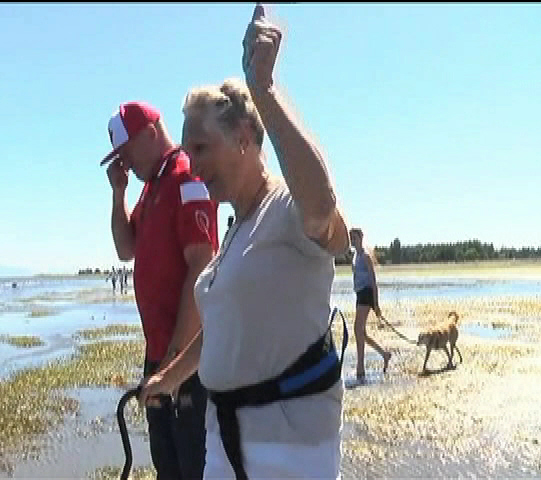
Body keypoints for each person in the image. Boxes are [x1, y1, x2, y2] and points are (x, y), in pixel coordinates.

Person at [139, 5, 350, 478]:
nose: (190, 165)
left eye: (200, 148)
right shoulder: (236, 229)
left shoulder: (288, 208)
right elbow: (224, 325)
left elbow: (323, 207)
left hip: (289, 453)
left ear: (242, 138)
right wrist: (169, 378)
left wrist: (265, 90)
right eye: (186, 151)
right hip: (224, 442)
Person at [100, 100, 219, 479]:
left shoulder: (186, 177)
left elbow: (202, 264)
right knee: (168, 466)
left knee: (193, 468)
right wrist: (118, 192)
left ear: (150, 135)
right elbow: (124, 249)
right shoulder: (152, 186)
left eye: (127, 152)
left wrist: (173, 362)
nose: (126, 164)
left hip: (186, 363)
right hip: (161, 359)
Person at [349, 227, 392, 380]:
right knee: (361, 332)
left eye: (355, 238)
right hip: (360, 294)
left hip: (367, 294)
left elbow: (373, 281)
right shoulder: (355, 256)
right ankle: (384, 354)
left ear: (361, 238)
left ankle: (360, 368)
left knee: (357, 329)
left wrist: (376, 304)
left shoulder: (366, 256)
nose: (353, 241)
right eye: (351, 238)